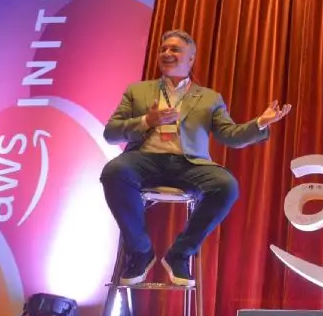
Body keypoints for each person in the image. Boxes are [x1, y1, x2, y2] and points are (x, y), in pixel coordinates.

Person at [100, 29, 292, 287]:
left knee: (226, 185)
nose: (167, 53)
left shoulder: (209, 98)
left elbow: (230, 135)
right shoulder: (138, 91)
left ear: (190, 59)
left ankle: (180, 253)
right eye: (163, 49)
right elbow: (111, 133)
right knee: (114, 171)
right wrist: (147, 120)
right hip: (144, 159)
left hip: (189, 164)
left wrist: (260, 123)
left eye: (175, 49)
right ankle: (141, 251)